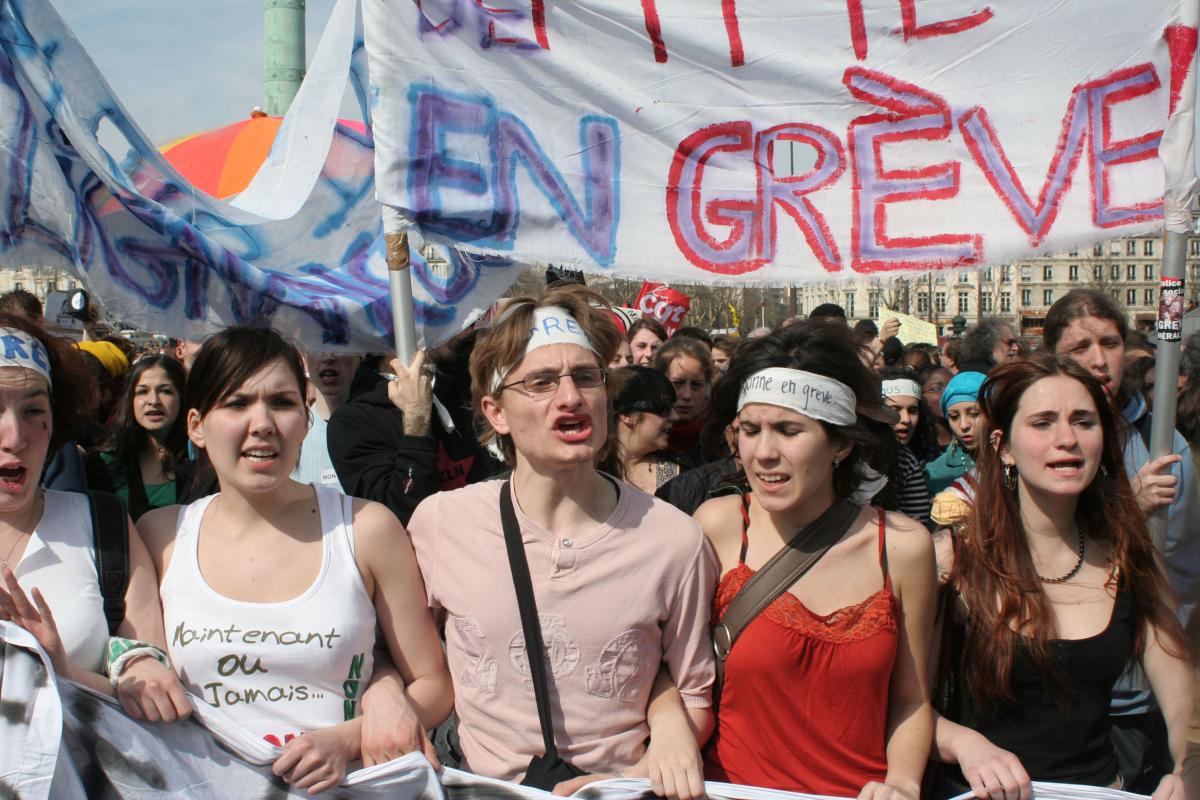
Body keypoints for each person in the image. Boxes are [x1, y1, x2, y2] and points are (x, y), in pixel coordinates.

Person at [405, 284, 717, 796]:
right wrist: (385, 702)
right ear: (496, 412)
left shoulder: (675, 540)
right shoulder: (441, 524)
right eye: (542, 382)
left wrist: (661, 748)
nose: (570, 397)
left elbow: (694, 695)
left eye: (586, 377)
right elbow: (410, 667)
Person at [137, 326, 453, 794]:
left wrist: (349, 737)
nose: (262, 422)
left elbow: (432, 684)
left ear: (306, 421)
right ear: (196, 427)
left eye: (282, 403)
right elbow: (137, 669)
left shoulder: (367, 529)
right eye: (237, 403)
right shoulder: (160, 535)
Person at [931, 354, 1193, 800]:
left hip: (1101, 791)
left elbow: (1178, 683)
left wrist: (1189, 766)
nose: (1067, 439)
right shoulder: (953, 560)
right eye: (1043, 423)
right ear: (1003, 446)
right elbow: (902, 706)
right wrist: (964, 744)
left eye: (1084, 422)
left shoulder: (1129, 558)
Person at [695, 321, 937, 797]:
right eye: (749, 430)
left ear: (841, 444)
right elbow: (675, 674)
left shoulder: (904, 547)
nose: (763, 453)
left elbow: (911, 702)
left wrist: (903, 783)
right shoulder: (717, 527)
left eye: (789, 431)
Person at [1044, 288, 1199, 789]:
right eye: (1079, 349)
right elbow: (1041, 547)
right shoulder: (1036, 436)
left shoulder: (1163, 443)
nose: (1098, 361)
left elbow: (1178, 570)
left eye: (1108, 343)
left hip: (1132, 685)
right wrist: (1129, 509)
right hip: (1050, 676)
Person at [0, 314, 188, 722]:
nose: (14, 437)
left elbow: (150, 678)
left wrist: (63, 669)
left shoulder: (105, 527)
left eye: (33, 410)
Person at [328, 327, 505, 526]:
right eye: (431, 315)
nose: (453, 325)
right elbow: (398, 515)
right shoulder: (352, 423)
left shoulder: (465, 379)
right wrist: (416, 422)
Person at [90, 355, 188, 520]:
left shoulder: (203, 464)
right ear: (131, 400)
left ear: (182, 397)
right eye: (143, 391)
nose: (153, 401)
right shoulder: (104, 463)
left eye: (165, 391)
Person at [606, 366, 681, 493]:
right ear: (627, 414)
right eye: (664, 408)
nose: (675, 417)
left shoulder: (670, 473)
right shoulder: (590, 468)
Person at [294, 351, 359, 491]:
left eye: (339, 345)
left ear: (359, 355)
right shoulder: (292, 434)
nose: (328, 358)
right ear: (305, 359)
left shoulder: (383, 425)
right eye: (317, 347)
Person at [880, 366, 933, 527]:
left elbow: (919, 524)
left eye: (912, 410)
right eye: (895, 409)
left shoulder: (906, 461)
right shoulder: (853, 453)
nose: (906, 419)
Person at [654, 337, 714, 465]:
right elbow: (666, 484)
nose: (687, 395)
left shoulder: (718, 440)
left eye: (696, 385)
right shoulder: (646, 441)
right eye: (677, 383)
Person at [925, 372, 986, 495]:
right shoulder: (935, 473)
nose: (963, 425)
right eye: (954, 417)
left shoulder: (1015, 460)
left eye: (974, 414)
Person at [921, 366, 955, 453]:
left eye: (952, 387)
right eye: (937, 389)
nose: (947, 394)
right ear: (921, 394)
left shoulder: (967, 437)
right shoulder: (916, 443)